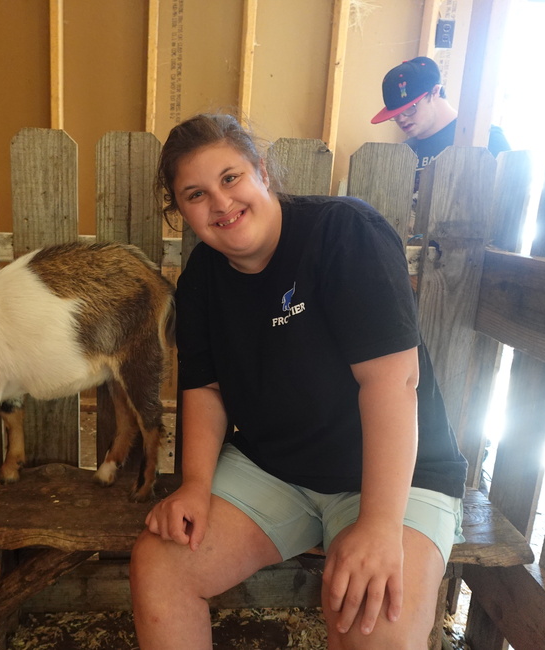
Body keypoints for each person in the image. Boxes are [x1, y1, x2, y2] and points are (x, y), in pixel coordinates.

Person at [129, 113, 468, 650]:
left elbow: (392, 383)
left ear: (262, 172)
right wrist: (195, 484)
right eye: (196, 194)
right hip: (275, 470)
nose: (220, 202)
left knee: (371, 627)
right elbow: (205, 388)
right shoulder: (200, 282)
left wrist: (380, 527)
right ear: (181, 211)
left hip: (389, 480)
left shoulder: (343, 233)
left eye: (231, 177)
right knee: (160, 564)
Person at [371, 56, 510, 178]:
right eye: (394, 114)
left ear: (435, 91)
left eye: (410, 107)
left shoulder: (488, 139)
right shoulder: (403, 152)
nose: (401, 119)